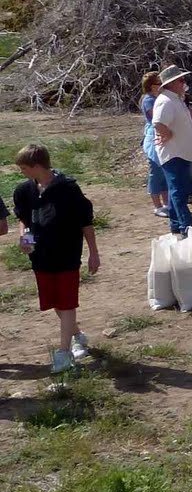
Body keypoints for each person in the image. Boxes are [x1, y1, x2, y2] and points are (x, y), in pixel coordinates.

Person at [13, 144, 98, 374]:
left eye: (23, 168)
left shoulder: (68, 189)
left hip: (67, 254)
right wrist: (23, 236)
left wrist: (93, 252)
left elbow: (85, 222)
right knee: (55, 304)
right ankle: (78, 336)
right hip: (40, 257)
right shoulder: (24, 191)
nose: (21, 172)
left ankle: (64, 354)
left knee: (67, 302)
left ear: (37, 166)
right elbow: (24, 218)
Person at [151, 65, 192, 235]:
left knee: (176, 190)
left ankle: (177, 224)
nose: (183, 83)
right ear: (171, 83)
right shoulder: (165, 100)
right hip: (174, 152)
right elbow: (158, 122)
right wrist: (167, 134)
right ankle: (187, 225)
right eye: (180, 80)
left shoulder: (175, 98)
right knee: (179, 190)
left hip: (181, 151)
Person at [139, 71, 169, 218]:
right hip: (154, 136)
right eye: (159, 84)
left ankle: (167, 203)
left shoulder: (158, 98)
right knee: (155, 172)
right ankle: (157, 206)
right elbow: (155, 119)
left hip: (161, 135)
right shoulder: (148, 100)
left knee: (164, 171)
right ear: (151, 86)